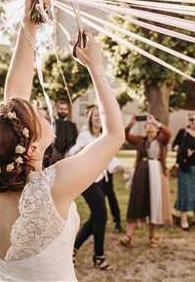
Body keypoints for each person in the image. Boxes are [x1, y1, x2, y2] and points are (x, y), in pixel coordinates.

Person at [0, 0, 125, 282]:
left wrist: (29, 26)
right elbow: (114, 135)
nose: (41, 109)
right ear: (30, 148)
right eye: (36, 114)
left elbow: (13, 99)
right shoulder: (54, 187)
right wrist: (96, 68)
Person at [66, 105, 121, 270]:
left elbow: (110, 158)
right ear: (90, 117)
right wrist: (78, 151)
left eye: (100, 115)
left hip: (101, 179)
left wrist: (125, 169)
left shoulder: (105, 136)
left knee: (96, 217)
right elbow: (72, 152)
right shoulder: (85, 135)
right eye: (95, 115)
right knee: (102, 216)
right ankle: (99, 257)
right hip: (87, 180)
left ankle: (72, 249)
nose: (98, 118)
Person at [120, 114, 172, 248]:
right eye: (148, 123)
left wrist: (156, 121)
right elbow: (125, 136)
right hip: (141, 173)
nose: (150, 125)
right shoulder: (140, 140)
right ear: (145, 127)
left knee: (153, 203)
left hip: (156, 173)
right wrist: (131, 124)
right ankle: (128, 236)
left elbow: (168, 133)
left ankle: (152, 236)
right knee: (136, 201)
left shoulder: (162, 140)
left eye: (152, 124)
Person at [173, 112, 195, 230]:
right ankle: (183, 220)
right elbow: (174, 147)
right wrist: (185, 153)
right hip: (186, 168)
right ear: (188, 121)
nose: (194, 122)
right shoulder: (183, 133)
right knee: (185, 193)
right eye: (191, 120)